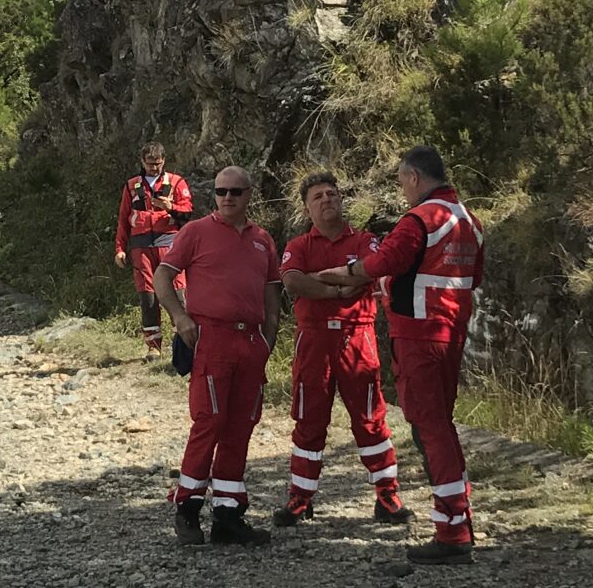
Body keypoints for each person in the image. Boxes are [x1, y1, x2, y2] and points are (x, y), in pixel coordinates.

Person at [317, 146, 481, 566]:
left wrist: (347, 274)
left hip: (419, 335)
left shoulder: (421, 219)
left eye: (401, 181)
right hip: (451, 332)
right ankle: (458, 517)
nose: (402, 190)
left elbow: (383, 262)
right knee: (440, 424)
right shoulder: (468, 221)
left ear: (412, 177)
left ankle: (452, 531)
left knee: (431, 430)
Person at [154, 165, 281, 548]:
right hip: (213, 339)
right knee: (209, 421)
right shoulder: (196, 232)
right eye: (222, 191)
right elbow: (162, 276)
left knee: (241, 426)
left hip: (250, 343)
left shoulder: (262, 240)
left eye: (236, 192)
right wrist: (180, 318)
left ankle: (228, 515)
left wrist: (269, 336)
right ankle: (188, 509)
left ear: (248, 195)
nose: (228, 197)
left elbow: (272, 289)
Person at [273, 170, 406, 527]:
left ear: (341, 200)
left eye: (331, 194)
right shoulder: (298, 245)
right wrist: (336, 286)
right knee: (309, 420)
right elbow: (292, 281)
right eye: (317, 197)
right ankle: (300, 498)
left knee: (370, 418)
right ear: (306, 207)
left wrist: (319, 277)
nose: (326, 200)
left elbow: (370, 272)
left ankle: (387, 495)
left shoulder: (364, 240)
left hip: (356, 335)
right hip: (313, 338)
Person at [114, 142, 192, 362]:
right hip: (140, 247)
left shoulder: (176, 183)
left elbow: (188, 213)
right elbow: (123, 220)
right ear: (142, 162)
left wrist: (171, 207)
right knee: (147, 295)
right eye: (150, 164)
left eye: (157, 164)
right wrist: (120, 249)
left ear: (164, 161)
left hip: (170, 245)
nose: (154, 168)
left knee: (177, 293)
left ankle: (184, 344)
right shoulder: (131, 186)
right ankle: (153, 347)